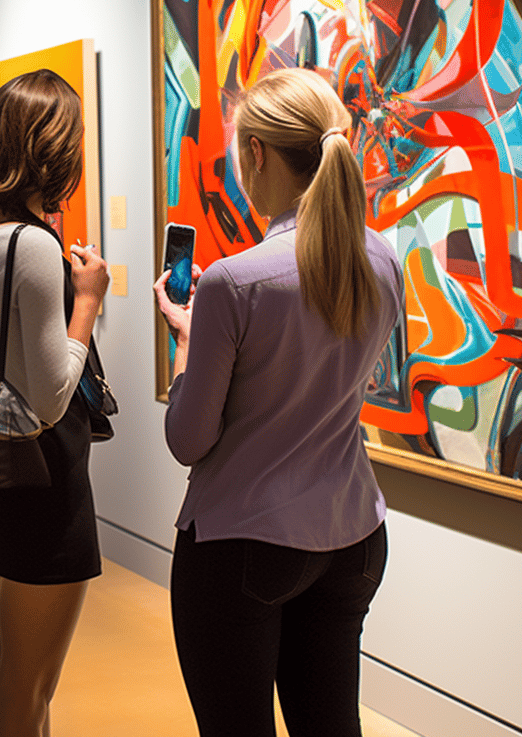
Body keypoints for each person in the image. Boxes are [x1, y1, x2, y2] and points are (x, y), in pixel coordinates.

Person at [153, 67, 405, 737]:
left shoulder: (235, 283)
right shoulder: (383, 261)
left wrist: (185, 339)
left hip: (243, 544)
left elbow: (188, 439)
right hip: (354, 536)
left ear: (256, 153)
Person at [0, 69, 109, 737]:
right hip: (45, 478)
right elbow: (50, 396)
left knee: (22, 685)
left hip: (2, 472)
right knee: (25, 694)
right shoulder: (34, 246)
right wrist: (90, 300)